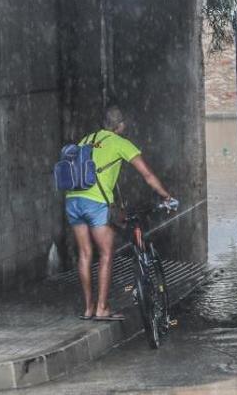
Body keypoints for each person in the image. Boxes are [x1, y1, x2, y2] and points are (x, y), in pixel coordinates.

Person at [66, 106, 173, 321]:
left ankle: (88, 308)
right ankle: (102, 308)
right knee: (106, 254)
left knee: (85, 254)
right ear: (120, 125)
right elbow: (148, 175)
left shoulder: (85, 140)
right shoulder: (120, 143)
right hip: (95, 203)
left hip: (73, 199)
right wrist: (166, 196)